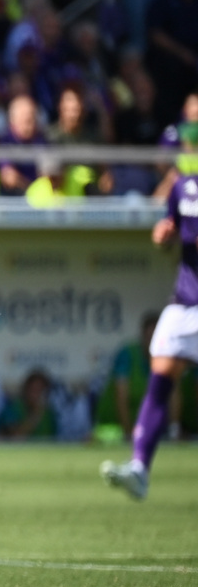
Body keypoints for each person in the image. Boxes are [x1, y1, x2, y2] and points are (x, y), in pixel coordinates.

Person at [102, 171, 198, 500]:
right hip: (186, 301)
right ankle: (140, 468)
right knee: (161, 379)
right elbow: (171, 232)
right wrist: (163, 236)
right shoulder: (184, 186)